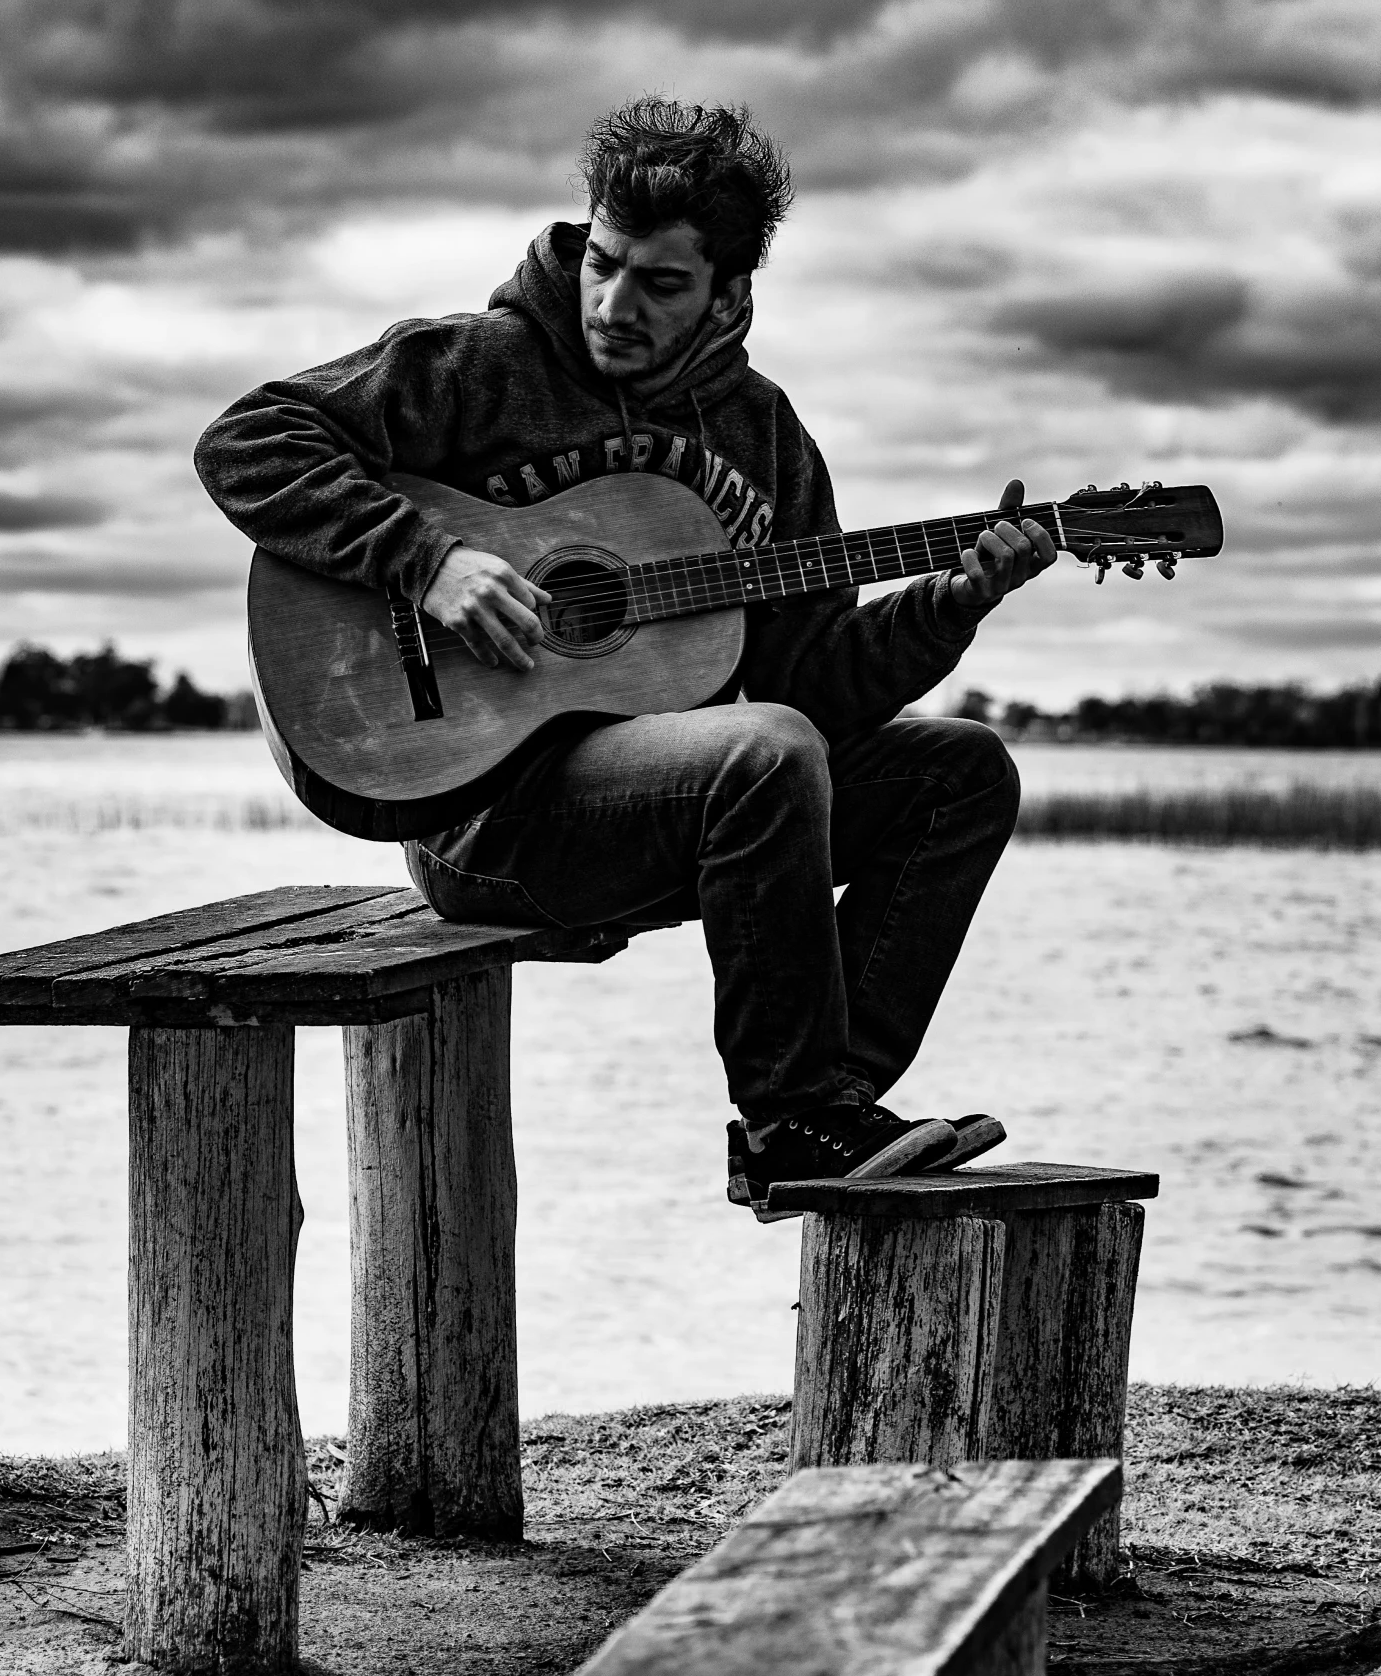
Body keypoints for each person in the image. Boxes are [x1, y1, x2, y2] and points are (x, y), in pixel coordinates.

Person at [194, 100, 1055, 1209]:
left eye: (659, 283)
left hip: (664, 809)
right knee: (765, 748)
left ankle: (831, 1105)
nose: (614, 305)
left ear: (729, 293)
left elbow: (808, 687)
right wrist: (428, 560)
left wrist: (949, 605)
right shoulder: (481, 365)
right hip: (483, 819)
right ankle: (791, 1117)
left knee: (959, 769)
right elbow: (246, 442)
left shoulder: (764, 438)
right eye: (603, 264)